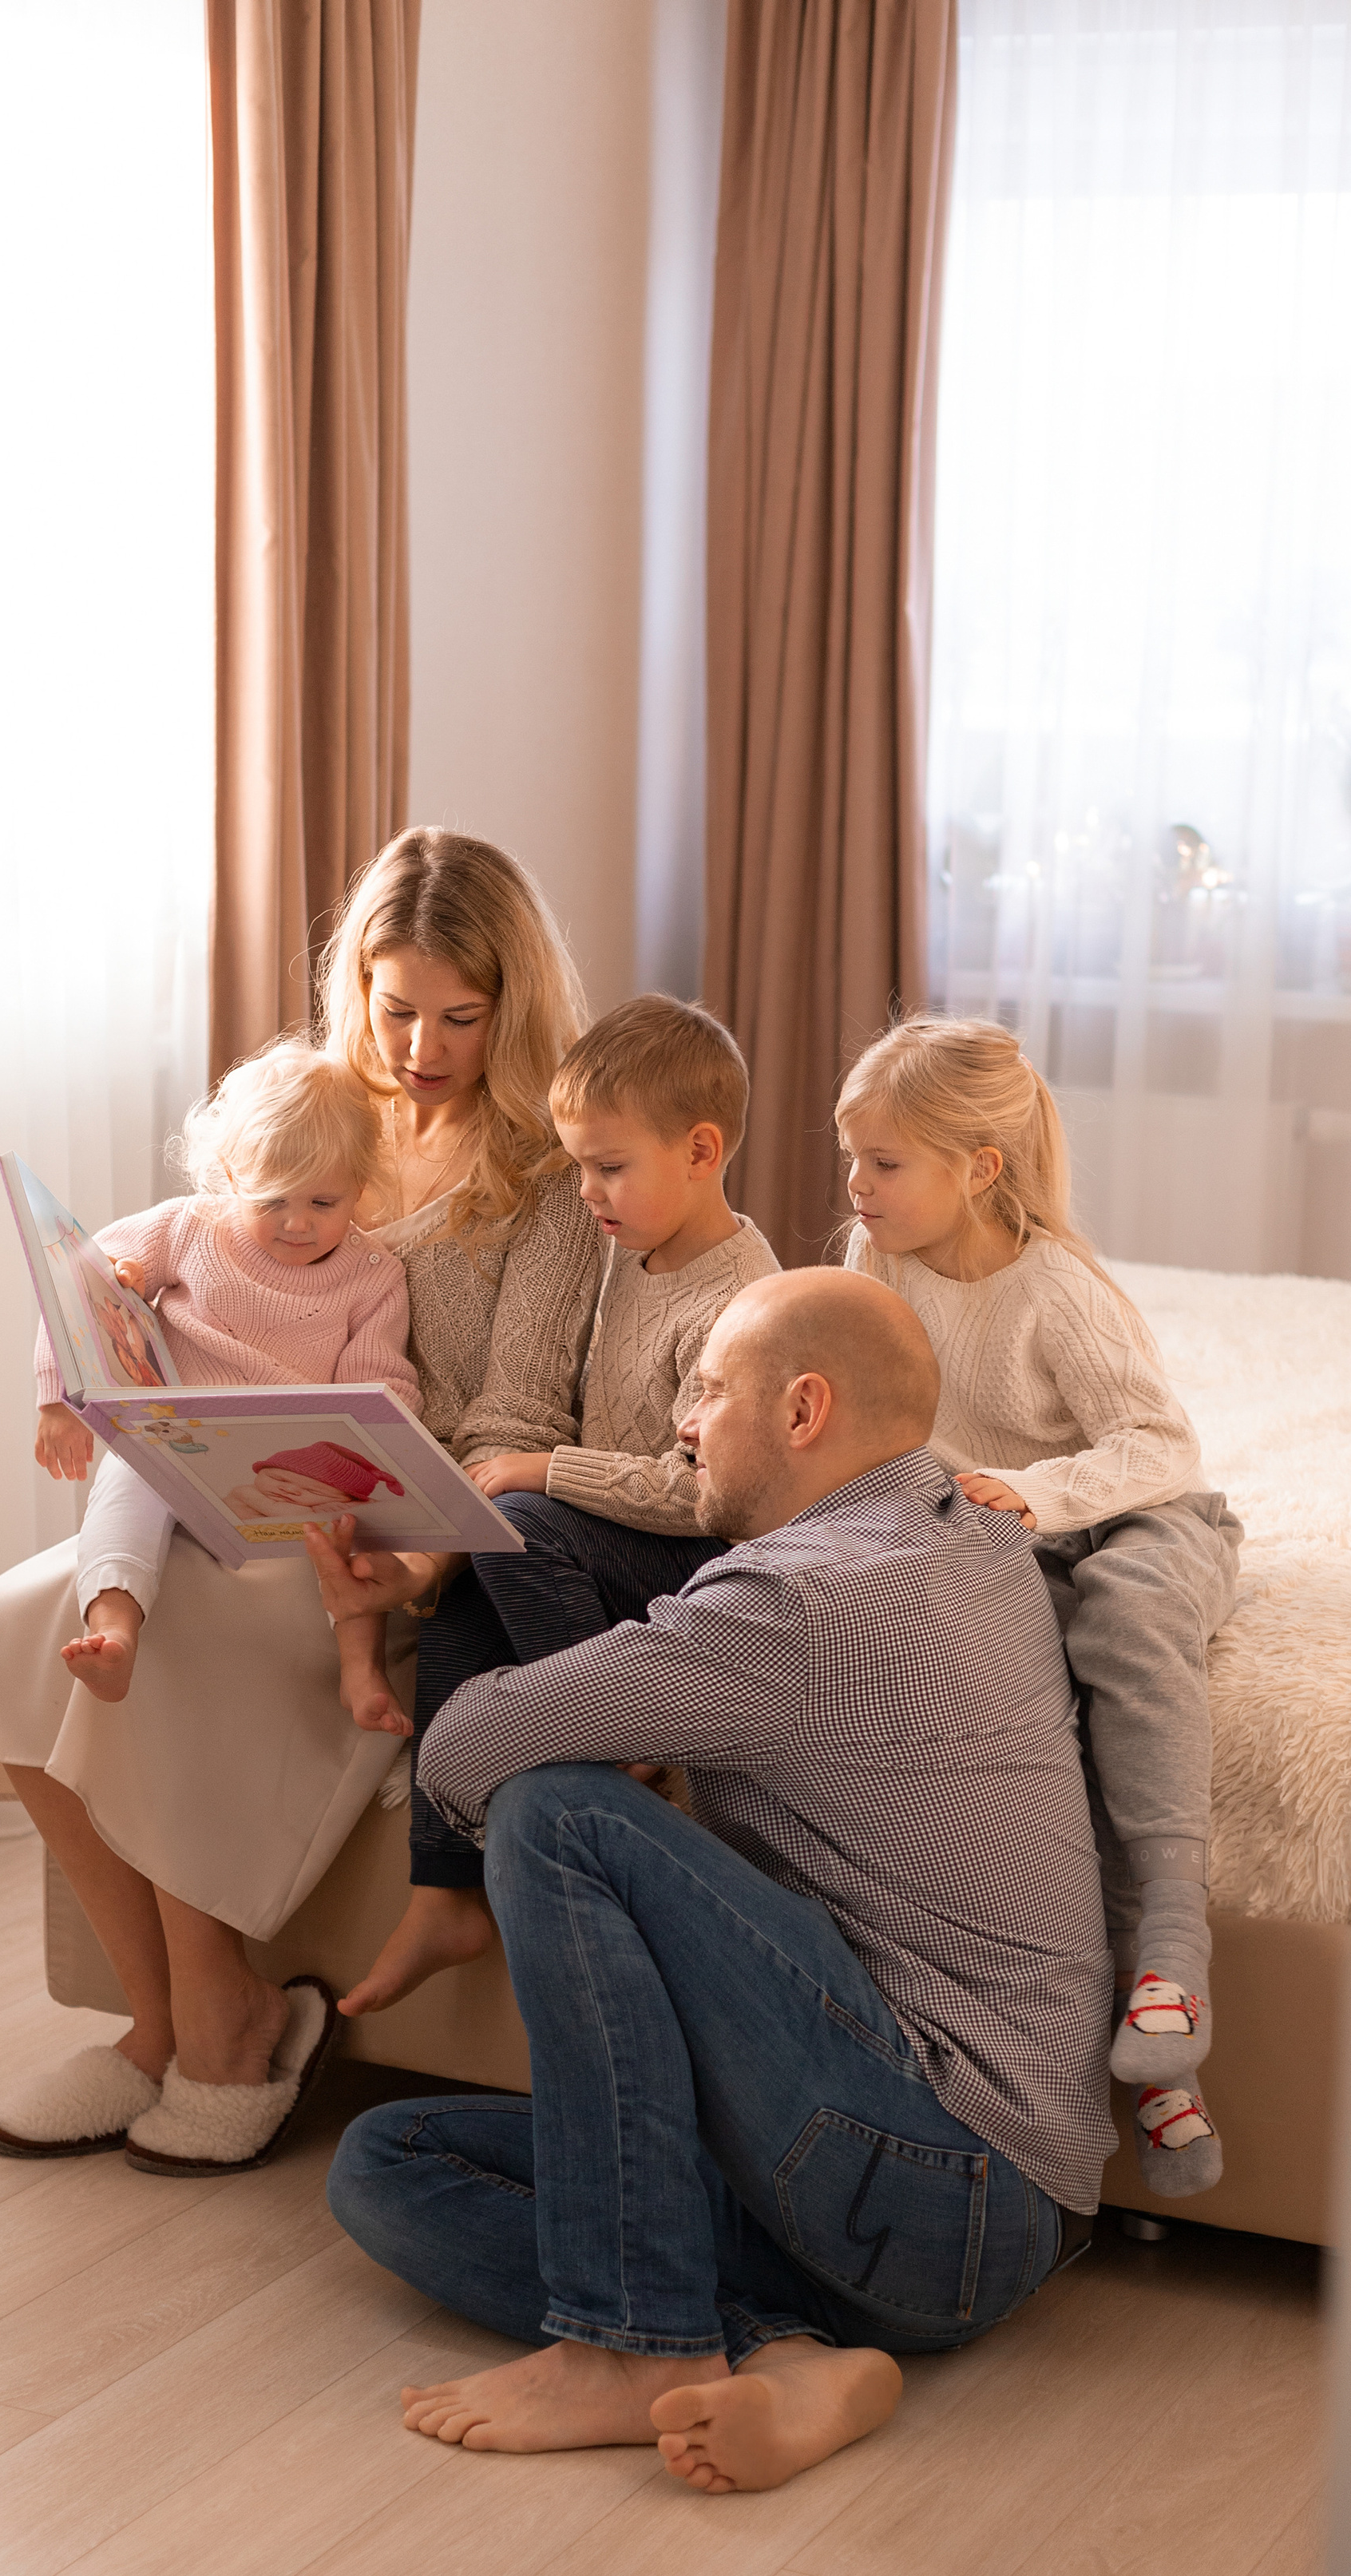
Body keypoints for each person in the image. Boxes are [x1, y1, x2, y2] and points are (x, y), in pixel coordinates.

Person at [322, 1269, 1113, 2495]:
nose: (681, 1423)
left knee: (557, 1810)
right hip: (983, 2203)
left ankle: (628, 2343)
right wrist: (636, 1695)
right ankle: (781, 2349)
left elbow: (468, 1749)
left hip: (935, 2170)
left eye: (704, 1390)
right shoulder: (968, 1530)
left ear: (802, 1411)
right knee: (390, 2159)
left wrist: (500, 1648)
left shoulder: (794, 1603)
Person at [0, 827, 601, 2177]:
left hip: (384, 1537)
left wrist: (415, 1561)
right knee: (15, 1621)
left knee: (178, 1640)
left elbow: (516, 1415)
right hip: (216, 1493)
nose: (420, 1044)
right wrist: (83, 1377)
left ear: (512, 1009)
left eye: (460, 1017)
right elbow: (146, 1269)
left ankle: (221, 2024)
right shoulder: (308, 1115)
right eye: (395, 1008)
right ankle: (166, 2020)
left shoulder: (548, 1175)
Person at [838, 1016, 1241, 2196]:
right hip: (1012, 1529)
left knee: (1123, 1623)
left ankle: (1175, 1935)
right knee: (1032, 1700)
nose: (857, 1186)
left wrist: (1027, 1490)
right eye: (850, 1157)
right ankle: (1163, 2068)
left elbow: (1161, 1442)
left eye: (886, 1164)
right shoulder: (880, 1266)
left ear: (982, 1168)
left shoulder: (1054, 1287)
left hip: (1141, 1510)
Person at [337, 994, 780, 2020]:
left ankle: (622, 1742)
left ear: (702, 1149)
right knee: (469, 1581)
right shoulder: (632, 1248)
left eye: (608, 1166)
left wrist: (550, 1468)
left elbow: (711, 1493)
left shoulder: (738, 1301)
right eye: (578, 1166)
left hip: (689, 1558)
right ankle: (444, 1884)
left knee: (516, 1525)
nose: (585, 1193)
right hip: (612, 1542)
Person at [40, 1036, 418, 1738]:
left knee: (358, 1529)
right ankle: (116, 1632)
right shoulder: (187, 1229)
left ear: (360, 1187)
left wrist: (378, 1430)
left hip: (297, 1463)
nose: (298, 1222)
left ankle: (360, 1669)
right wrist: (58, 1397)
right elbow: (73, 1279)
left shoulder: (373, 1274)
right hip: (183, 1444)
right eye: (271, 1199)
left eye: (324, 1200)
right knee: (129, 1480)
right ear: (228, 1173)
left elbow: (382, 1380)